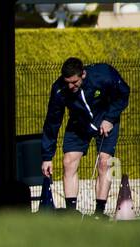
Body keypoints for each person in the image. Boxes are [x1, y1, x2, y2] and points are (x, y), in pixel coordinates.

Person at [40, 57, 130, 218]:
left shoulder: (103, 74)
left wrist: (109, 118)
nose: (70, 86)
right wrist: (47, 156)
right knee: (68, 162)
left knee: (104, 162)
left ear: (83, 74)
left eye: (74, 82)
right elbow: (52, 122)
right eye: (67, 82)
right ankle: (71, 212)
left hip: (106, 120)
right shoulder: (59, 90)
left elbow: (123, 93)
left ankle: (99, 213)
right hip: (79, 123)